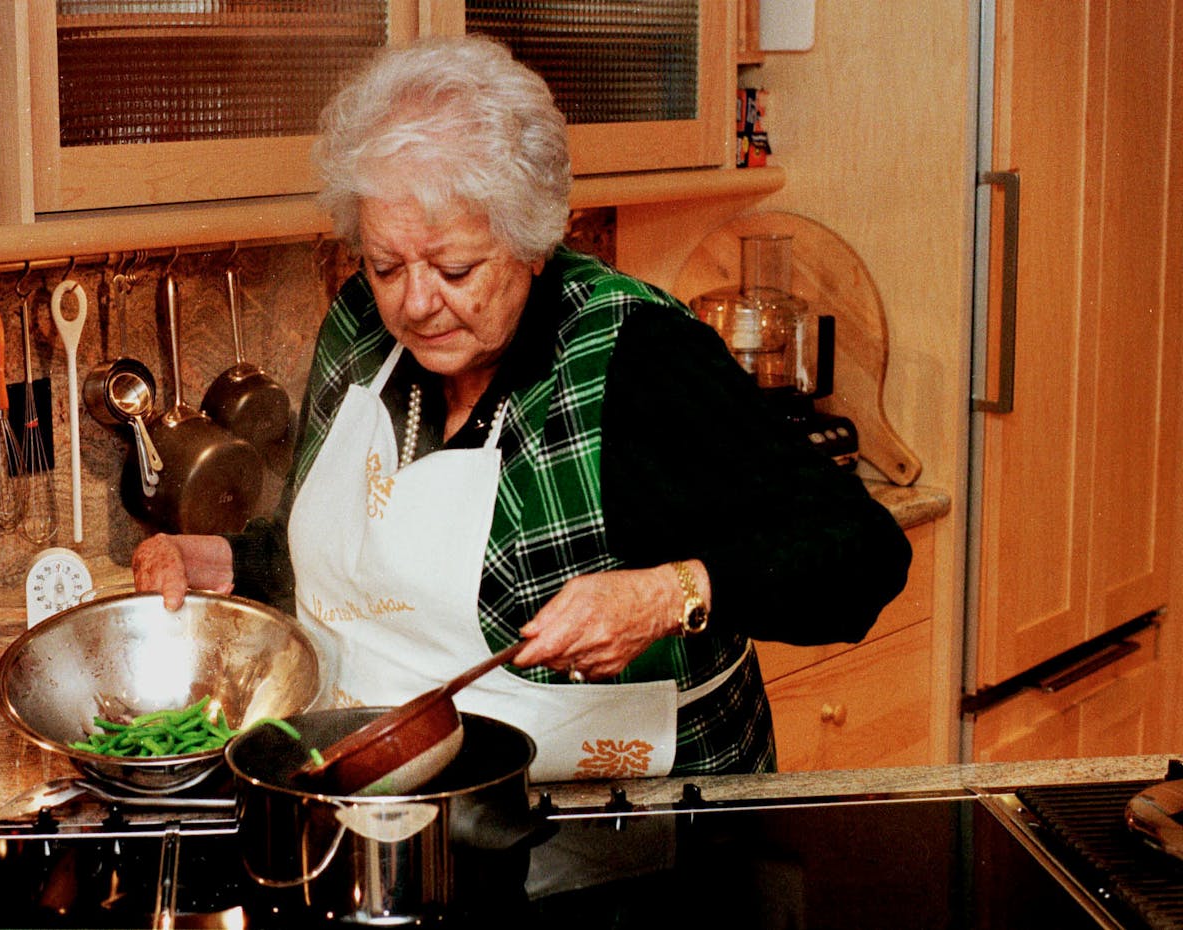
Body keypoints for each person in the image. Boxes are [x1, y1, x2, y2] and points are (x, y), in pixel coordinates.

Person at [133, 35, 912, 782]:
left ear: (535, 241)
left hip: (634, 839)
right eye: (385, 264)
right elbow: (366, 562)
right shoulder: (359, 328)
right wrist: (232, 563)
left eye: (456, 267)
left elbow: (862, 555)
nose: (416, 303)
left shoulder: (636, 357)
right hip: (407, 811)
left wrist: (666, 594)